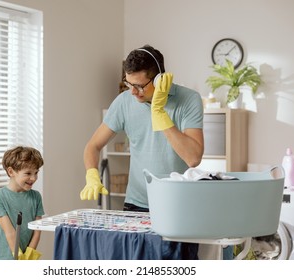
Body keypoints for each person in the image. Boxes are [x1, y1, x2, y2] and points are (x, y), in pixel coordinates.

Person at [80, 45, 204, 259]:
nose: (133, 92)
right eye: (129, 84)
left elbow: (193, 158)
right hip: (136, 206)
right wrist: (92, 174)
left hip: (179, 207)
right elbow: (93, 146)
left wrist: (159, 112)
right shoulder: (124, 101)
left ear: (159, 79)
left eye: (139, 86)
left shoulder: (189, 99)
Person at [0, 146, 45, 260]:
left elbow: (37, 230)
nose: (33, 178)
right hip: (5, 258)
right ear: (11, 172)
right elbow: (10, 232)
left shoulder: (36, 197)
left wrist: (29, 254)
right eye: (28, 173)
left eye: (36, 172)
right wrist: (18, 256)